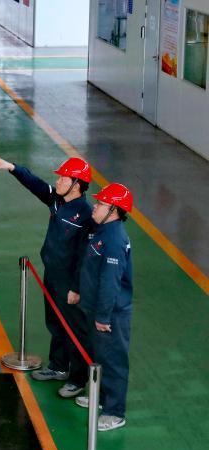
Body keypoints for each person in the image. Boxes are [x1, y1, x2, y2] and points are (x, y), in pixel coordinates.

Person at [0, 155, 92, 386]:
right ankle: (58, 366)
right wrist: (12, 167)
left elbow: (85, 258)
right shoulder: (57, 200)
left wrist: (77, 288)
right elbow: (35, 184)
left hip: (70, 281)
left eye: (63, 178)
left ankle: (78, 380)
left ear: (76, 185)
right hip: (52, 274)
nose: (58, 181)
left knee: (74, 329)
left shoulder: (86, 215)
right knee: (55, 323)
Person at [73, 182, 133, 432]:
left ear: (114, 211)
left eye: (100, 204)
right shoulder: (102, 231)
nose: (95, 207)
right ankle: (101, 398)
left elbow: (110, 282)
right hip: (96, 308)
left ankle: (115, 412)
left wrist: (103, 316)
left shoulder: (114, 239)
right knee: (99, 356)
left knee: (114, 361)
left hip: (110, 314)